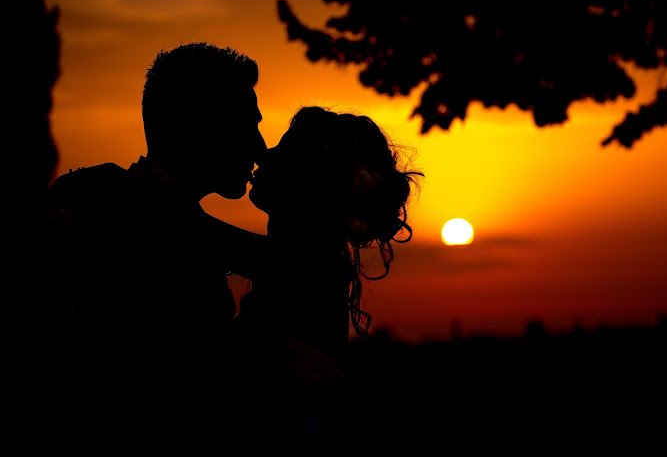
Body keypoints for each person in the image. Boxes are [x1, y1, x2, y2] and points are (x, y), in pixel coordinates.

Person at [40, 42, 267, 434]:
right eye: (247, 126)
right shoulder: (95, 199)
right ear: (201, 126)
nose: (260, 147)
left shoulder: (151, 212)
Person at [236, 106, 422, 435]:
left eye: (285, 149)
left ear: (310, 178)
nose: (266, 154)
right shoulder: (315, 258)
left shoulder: (303, 262)